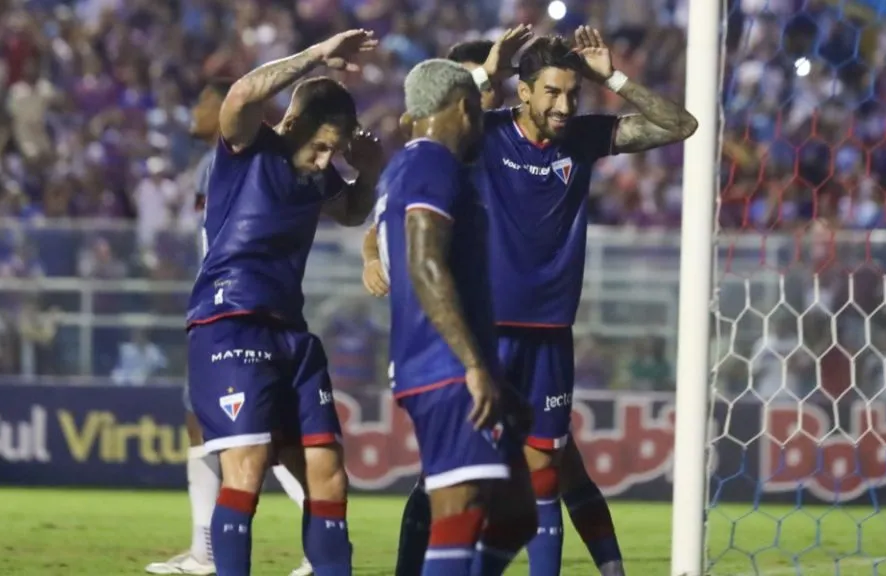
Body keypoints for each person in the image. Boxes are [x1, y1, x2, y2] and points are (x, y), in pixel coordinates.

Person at [367, 27, 698, 576]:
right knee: (453, 480)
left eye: (573, 93)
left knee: (543, 479)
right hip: (484, 332)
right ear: (523, 92)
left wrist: (612, 77)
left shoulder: (583, 140)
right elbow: (420, 136)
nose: (565, 105)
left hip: (549, 333)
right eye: (552, 92)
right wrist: (484, 75)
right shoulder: (485, 135)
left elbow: (679, 125)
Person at [186, 29, 382, 576]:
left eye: (334, 152)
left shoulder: (314, 177)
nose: (324, 162)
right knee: (244, 469)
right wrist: (317, 56)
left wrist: (366, 172)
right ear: (291, 124)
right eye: (320, 147)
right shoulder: (249, 147)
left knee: (329, 473)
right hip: (230, 322)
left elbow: (352, 213)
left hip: (290, 334)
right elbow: (241, 95)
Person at [375, 57, 537, 576]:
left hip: (447, 361)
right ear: (466, 108)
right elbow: (425, 264)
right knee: (460, 510)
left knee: (517, 514)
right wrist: (472, 364)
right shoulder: (431, 164)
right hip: (444, 365)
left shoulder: (407, 165)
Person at [145, 80, 314, 576]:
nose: (195, 109)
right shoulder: (209, 164)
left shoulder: (240, 154)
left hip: (242, 310)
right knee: (201, 420)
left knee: (270, 436)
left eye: (203, 99)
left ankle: (315, 543)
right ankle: (205, 549)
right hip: (216, 306)